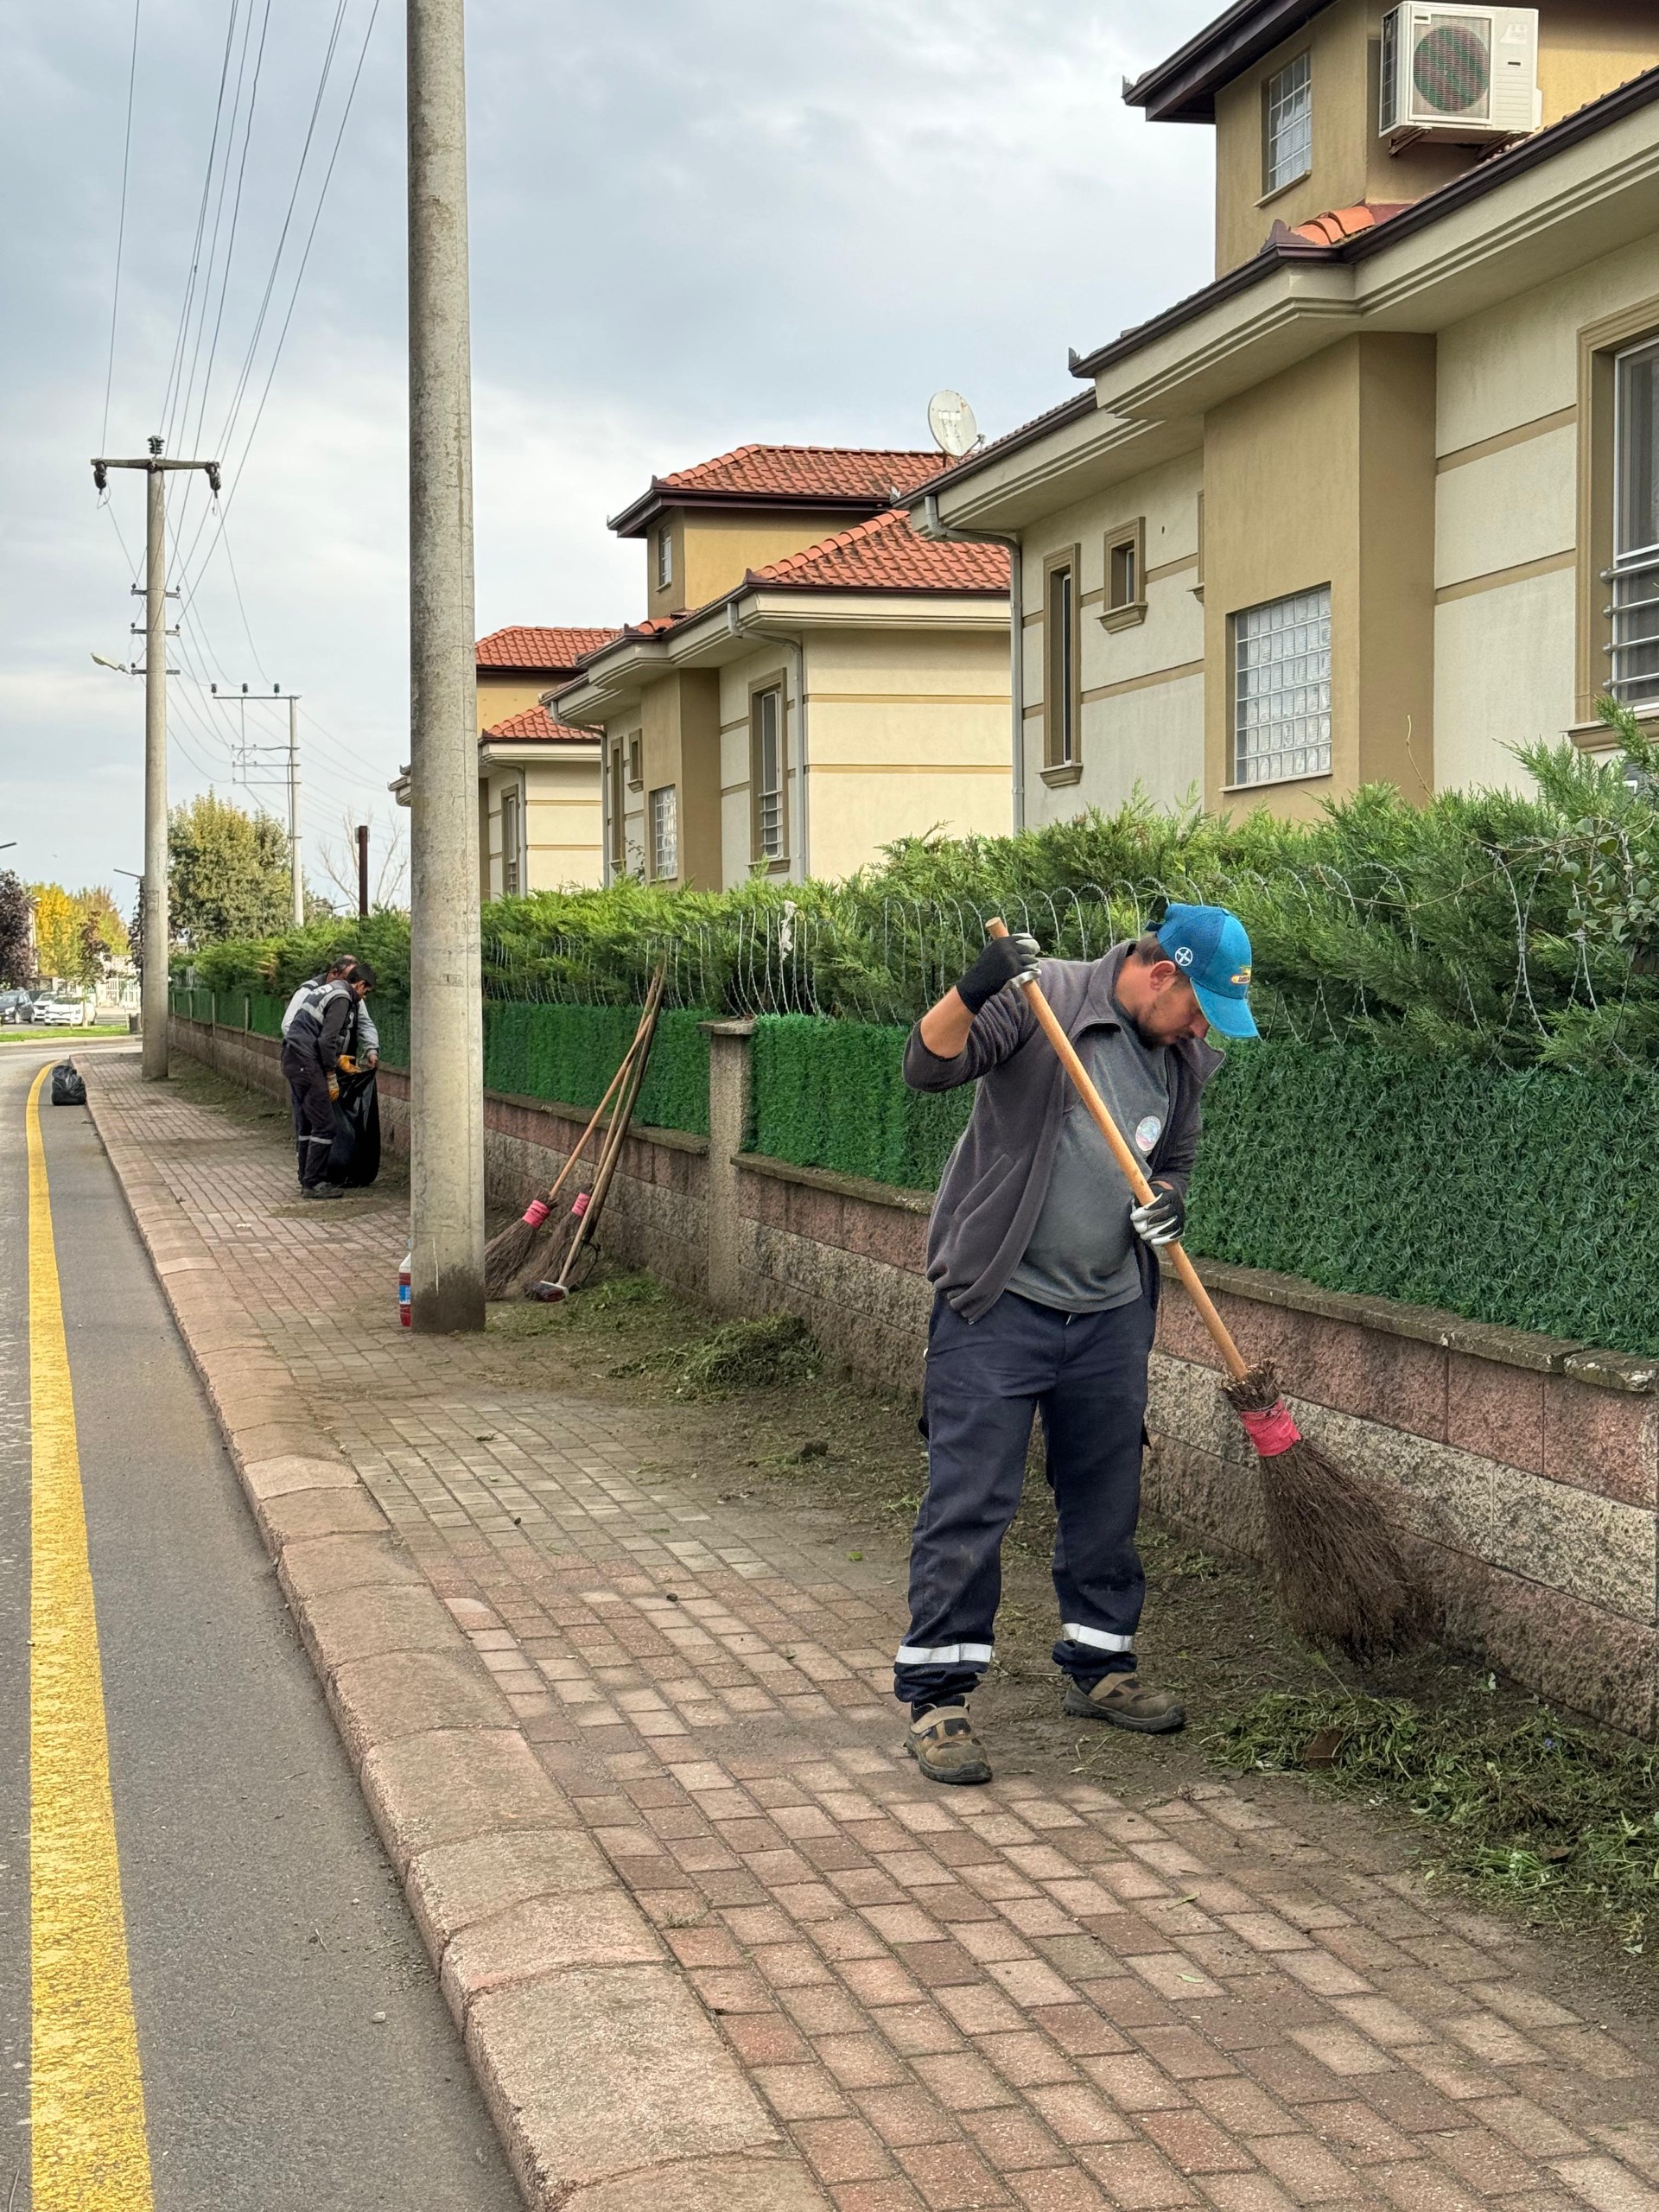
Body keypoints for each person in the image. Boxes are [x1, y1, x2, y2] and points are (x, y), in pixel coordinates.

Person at [895, 904, 1258, 1785]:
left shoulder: (1183, 1061)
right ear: (1161, 973)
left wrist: (1170, 1200)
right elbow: (927, 1064)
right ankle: (939, 1698)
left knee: (1105, 1496)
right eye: (1199, 1005)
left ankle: (1100, 1667)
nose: (1203, 1026)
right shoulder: (1042, 998)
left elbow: (1175, 1159)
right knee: (971, 1497)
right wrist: (975, 986)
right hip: (1000, 1303)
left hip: (1108, 1314)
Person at [280, 959, 376, 1199]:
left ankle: (306, 1177)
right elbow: (326, 1040)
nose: (364, 998)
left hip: (293, 1058)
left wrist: (338, 1058)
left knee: (308, 1124)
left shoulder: (328, 989)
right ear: (360, 984)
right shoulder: (342, 997)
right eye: (366, 991)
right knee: (325, 1125)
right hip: (306, 1061)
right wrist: (331, 1073)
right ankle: (314, 1183)